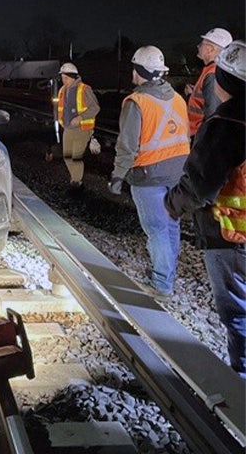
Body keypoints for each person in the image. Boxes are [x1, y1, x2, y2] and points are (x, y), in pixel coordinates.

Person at [165, 39, 246, 377]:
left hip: (231, 237)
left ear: (224, 82)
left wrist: (172, 204)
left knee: (238, 316)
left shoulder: (226, 124)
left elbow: (200, 187)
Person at [110, 45, 190, 300]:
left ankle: (162, 285)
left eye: (135, 69)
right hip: (178, 174)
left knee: (156, 230)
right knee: (171, 226)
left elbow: (127, 145)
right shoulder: (177, 98)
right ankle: (168, 275)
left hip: (149, 176)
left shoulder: (136, 102)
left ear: (140, 71)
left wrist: (118, 175)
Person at [55, 62, 100, 191]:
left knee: (76, 157)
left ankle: (76, 182)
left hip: (82, 129)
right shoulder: (62, 91)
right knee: (67, 156)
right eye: (62, 78)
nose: (64, 81)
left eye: (66, 78)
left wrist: (80, 117)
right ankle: (75, 178)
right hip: (68, 129)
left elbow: (95, 108)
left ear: (73, 77)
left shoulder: (84, 89)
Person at [188, 27, 232, 136]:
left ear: (210, 49)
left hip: (200, 135)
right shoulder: (212, 71)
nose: (198, 47)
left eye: (202, 44)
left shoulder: (212, 74)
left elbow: (213, 114)